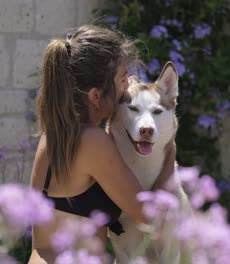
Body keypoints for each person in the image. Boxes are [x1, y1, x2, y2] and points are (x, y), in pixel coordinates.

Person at [28, 25, 176, 263]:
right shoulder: (92, 142)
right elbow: (150, 216)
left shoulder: (54, 134)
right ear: (96, 96)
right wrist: (169, 150)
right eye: (122, 78)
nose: (127, 86)